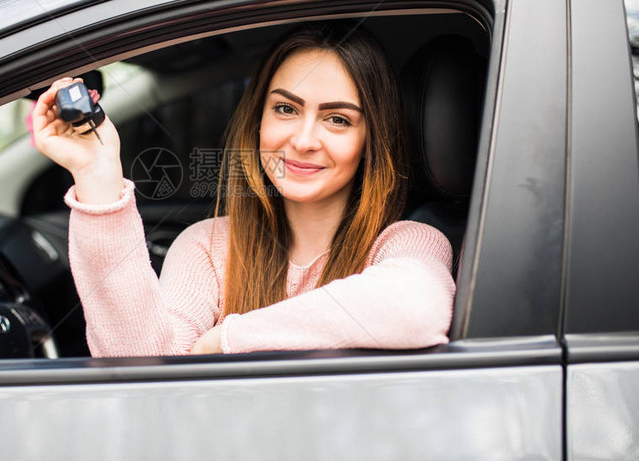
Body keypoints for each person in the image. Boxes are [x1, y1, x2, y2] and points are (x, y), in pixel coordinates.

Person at [32, 23, 455, 357]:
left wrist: (227, 340)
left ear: (370, 140)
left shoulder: (405, 242)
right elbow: (143, 364)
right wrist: (97, 173)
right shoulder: (209, 247)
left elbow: (417, 310)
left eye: (338, 119)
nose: (304, 140)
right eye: (286, 109)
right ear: (258, 120)